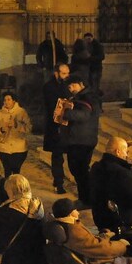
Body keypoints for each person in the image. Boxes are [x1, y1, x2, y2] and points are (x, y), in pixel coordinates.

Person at [89, 137, 132, 234]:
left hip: (102, 219)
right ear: (118, 152)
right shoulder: (120, 172)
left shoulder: (96, 167)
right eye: (125, 151)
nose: (126, 155)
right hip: (124, 224)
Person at [59, 74, 101, 207]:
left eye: (72, 85)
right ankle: (85, 198)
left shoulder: (87, 98)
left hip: (82, 140)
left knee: (80, 170)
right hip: (78, 139)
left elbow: (83, 115)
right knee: (77, 170)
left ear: (81, 84)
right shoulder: (80, 97)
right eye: (69, 87)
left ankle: (87, 199)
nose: (71, 88)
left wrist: (65, 113)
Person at [43, 62, 72, 194]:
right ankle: (58, 182)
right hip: (55, 126)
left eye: (68, 73)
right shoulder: (49, 87)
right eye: (64, 73)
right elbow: (50, 106)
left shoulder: (70, 85)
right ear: (56, 74)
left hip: (69, 126)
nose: (66, 76)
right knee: (57, 156)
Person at [0, 91, 31, 175]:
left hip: (19, 148)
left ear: (14, 100)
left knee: (16, 171)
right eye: (5, 100)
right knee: (7, 171)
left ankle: (16, 187)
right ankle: (7, 187)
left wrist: (17, 125)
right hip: (3, 148)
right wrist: (1, 129)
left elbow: (28, 128)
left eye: (9, 99)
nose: (6, 102)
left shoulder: (21, 112)